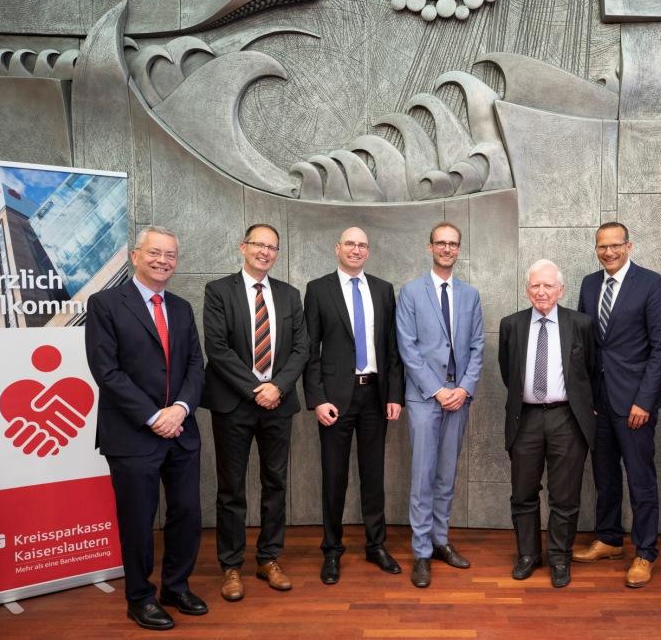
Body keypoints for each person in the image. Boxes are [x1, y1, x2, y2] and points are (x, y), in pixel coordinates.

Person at [85, 225, 206, 631]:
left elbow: (195, 365)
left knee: (187, 513)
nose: (163, 261)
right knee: (138, 520)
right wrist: (155, 416)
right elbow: (106, 370)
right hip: (132, 433)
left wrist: (181, 409)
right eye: (155, 253)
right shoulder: (105, 304)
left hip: (182, 431)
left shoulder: (182, 308)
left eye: (170, 255)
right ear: (135, 256)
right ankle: (139, 597)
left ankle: (176, 587)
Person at [201, 224, 308, 600]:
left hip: (278, 403)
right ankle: (231, 566)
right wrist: (256, 389)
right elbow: (217, 348)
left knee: (275, 484)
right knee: (231, 488)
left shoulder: (290, 295)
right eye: (258, 245)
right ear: (242, 247)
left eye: (272, 247)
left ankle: (269, 559)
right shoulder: (218, 291)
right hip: (233, 404)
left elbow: (301, 349)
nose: (265, 252)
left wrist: (277, 387)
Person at [572, 222, 661, 588]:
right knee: (605, 476)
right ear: (596, 248)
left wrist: (644, 400)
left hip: (635, 403)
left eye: (616, 245)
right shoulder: (589, 284)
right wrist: (586, 398)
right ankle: (610, 539)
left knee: (640, 479)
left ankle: (645, 553)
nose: (609, 252)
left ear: (629, 246)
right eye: (602, 246)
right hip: (599, 402)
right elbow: (585, 344)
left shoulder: (652, 284)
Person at [303, 227, 405, 585]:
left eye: (362, 245)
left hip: (375, 395)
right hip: (334, 400)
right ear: (338, 248)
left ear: (368, 251)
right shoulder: (318, 289)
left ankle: (376, 545)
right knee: (334, 477)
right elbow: (309, 351)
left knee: (373, 476)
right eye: (350, 243)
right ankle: (332, 549)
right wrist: (317, 399)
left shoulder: (383, 289)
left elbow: (392, 348)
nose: (356, 249)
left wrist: (394, 394)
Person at [396, 221, 484, 588]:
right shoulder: (411, 292)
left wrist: (463, 389)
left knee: (446, 475)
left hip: (458, 399)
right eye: (441, 243)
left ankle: (439, 541)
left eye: (453, 244)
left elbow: (477, 346)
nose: (447, 249)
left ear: (458, 249)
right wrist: (436, 390)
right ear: (430, 247)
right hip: (424, 398)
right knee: (423, 476)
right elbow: (407, 347)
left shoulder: (470, 295)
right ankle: (421, 552)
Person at [498, 260, 595, 588]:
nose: (541, 291)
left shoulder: (580, 324)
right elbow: (508, 373)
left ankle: (559, 557)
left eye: (548, 285)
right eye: (535, 285)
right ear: (527, 290)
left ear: (561, 290)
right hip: (524, 418)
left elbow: (590, 371)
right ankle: (528, 555)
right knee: (523, 492)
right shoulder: (511, 325)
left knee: (564, 496)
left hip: (566, 418)